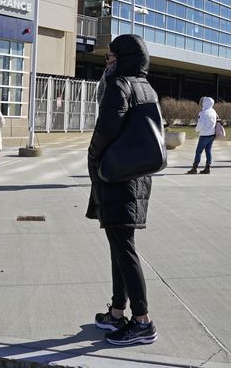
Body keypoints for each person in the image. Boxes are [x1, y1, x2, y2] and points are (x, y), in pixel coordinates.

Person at [86, 34, 158, 346]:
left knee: (124, 249)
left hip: (116, 176)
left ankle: (142, 321)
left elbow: (107, 128)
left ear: (123, 58)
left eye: (111, 57)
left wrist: (93, 158)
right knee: (119, 245)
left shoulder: (118, 85)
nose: (107, 63)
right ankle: (117, 312)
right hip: (136, 174)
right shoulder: (146, 86)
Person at [187, 96, 217, 174]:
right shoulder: (213, 111)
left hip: (204, 135)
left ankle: (194, 168)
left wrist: (196, 130)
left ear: (205, 103)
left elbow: (200, 124)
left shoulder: (203, 113)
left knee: (198, 152)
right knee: (208, 151)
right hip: (212, 134)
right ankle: (208, 168)